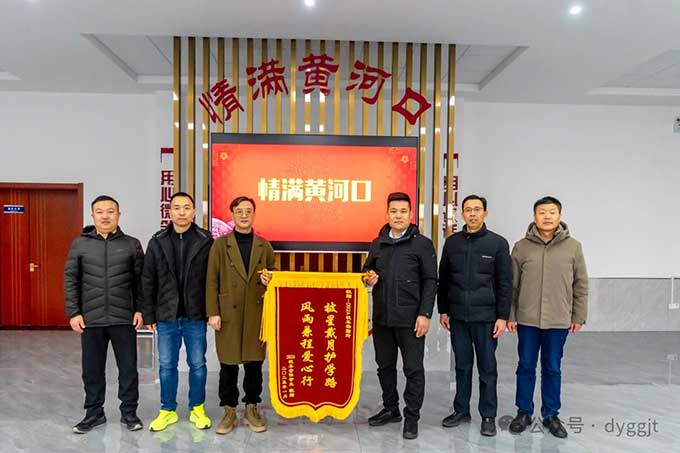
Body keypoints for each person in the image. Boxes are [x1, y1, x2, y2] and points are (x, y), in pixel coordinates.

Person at [507, 196, 588, 438]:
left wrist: (578, 315)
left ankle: (551, 414)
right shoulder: (521, 247)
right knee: (525, 366)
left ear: (559, 216)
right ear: (534, 217)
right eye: (542, 212)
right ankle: (523, 412)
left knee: (552, 367)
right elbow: (512, 285)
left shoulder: (573, 247)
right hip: (527, 319)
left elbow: (580, 284)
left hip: (558, 319)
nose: (547, 216)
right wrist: (510, 314)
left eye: (552, 212)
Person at [64, 195, 144, 434]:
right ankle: (94, 413)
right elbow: (71, 279)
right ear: (93, 215)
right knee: (92, 370)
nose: (105, 216)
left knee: (128, 369)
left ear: (119, 215)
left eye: (110, 211)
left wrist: (140, 309)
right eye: (100, 211)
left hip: (124, 318)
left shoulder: (131, 244)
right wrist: (74, 312)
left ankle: (129, 412)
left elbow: (141, 281)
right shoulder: (80, 244)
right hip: (91, 319)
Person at [362, 192, 437, 440]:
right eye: (393, 211)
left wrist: (425, 314)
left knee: (413, 369)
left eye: (403, 211)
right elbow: (367, 270)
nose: (398, 216)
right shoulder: (378, 243)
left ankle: (411, 417)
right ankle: (391, 408)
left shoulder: (422, 244)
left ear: (411, 214)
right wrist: (369, 277)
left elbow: (430, 281)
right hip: (382, 318)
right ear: (387, 214)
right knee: (384, 366)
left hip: (411, 319)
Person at [438, 195, 512, 437]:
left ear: (485, 214)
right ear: (462, 214)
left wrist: (502, 316)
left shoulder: (497, 243)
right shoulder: (452, 243)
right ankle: (461, 410)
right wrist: (443, 309)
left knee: (487, 368)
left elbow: (505, 283)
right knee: (462, 366)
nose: (472, 213)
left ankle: (488, 415)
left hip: (487, 318)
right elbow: (444, 279)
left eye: (477, 209)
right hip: (458, 317)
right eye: (468, 209)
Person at [141, 192, 214, 431]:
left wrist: (212, 311)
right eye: (177, 208)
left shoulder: (206, 240)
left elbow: (213, 279)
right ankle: (167, 410)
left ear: (194, 212)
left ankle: (197, 408)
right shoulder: (157, 240)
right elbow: (148, 279)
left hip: (195, 314)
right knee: (166, 365)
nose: (181, 212)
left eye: (186, 207)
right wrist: (149, 314)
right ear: (169, 212)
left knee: (198, 364)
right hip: (166, 315)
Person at [206, 196, 276, 435]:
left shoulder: (264, 245)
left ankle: (252, 407)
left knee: (254, 364)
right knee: (228, 364)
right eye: (239, 211)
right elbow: (211, 279)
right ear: (233, 214)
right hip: (229, 312)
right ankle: (228, 410)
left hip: (256, 312)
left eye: (248, 211)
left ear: (253, 214)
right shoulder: (220, 244)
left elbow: (273, 274)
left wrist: (269, 279)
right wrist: (213, 312)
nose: (244, 215)